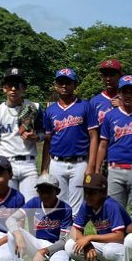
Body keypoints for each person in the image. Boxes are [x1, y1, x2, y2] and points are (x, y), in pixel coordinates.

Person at [64, 173, 132, 261]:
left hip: (126, 252)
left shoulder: (111, 205)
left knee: (109, 250)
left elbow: (119, 236)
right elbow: (75, 230)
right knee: (70, 246)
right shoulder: (87, 205)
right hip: (109, 246)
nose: (88, 196)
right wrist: (88, 245)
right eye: (86, 192)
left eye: (93, 192)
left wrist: (89, 237)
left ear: (103, 193)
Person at [96, 75, 132, 219]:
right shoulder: (110, 116)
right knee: (114, 213)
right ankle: (115, 242)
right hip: (115, 169)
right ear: (119, 93)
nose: (128, 95)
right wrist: (97, 170)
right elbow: (103, 145)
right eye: (124, 91)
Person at [40, 68, 98, 215]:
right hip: (56, 162)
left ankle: (75, 237)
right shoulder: (50, 110)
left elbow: (93, 136)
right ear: (56, 85)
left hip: (79, 163)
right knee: (59, 204)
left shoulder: (85, 106)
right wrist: (44, 168)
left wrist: (91, 166)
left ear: (75, 85)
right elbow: (48, 141)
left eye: (68, 82)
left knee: (76, 208)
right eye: (61, 82)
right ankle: (61, 237)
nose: (64, 86)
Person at [0, 68, 42, 201]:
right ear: (4, 88)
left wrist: (37, 137)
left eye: (18, 85)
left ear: (24, 88)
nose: (14, 89)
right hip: (6, 164)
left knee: (30, 208)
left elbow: (44, 134)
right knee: (8, 209)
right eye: (10, 85)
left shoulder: (34, 108)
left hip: (29, 165)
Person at [4, 174, 72, 261]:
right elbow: (10, 220)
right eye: (41, 191)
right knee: (12, 232)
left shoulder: (65, 208)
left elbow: (63, 240)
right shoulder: (34, 202)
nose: (44, 195)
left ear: (57, 192)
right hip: (36, 243)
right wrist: (18, 236)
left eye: (48, 191)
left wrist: (43, 251)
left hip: (55, 247)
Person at [89, 58, 122, 126]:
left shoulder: (129, 100)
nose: (108, 79)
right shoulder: (94, 101)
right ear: (101, 77)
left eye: (112, 75)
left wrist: (124, 107)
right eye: (105, 75)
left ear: (120, 76)